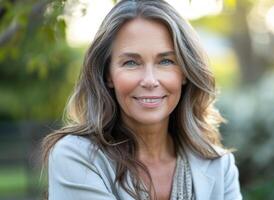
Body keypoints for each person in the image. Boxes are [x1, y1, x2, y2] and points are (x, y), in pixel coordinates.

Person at [41, 0, 242, 199]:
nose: (150, 80)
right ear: (108, 75)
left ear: (185, 73)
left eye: (166, 61)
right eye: (131, 63)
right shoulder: (76, 157)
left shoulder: (220, 165)